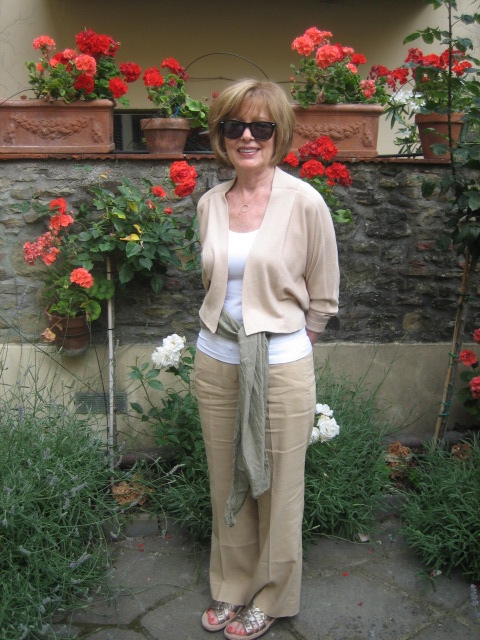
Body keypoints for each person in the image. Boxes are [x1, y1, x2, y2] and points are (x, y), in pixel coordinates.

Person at [195, 78, 339, 640]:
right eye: (235, 126)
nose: (247, 137)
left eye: (261, 126)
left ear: (281, 134)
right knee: (225, 478)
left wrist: (290, 342)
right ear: (221, 135)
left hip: (280, 365)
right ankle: (233, 584)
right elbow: (214, 284)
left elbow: (323, 293)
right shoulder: (211, 203)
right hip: (216, 359)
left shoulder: (305, 202)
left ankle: (274, 593)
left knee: (279, 487)